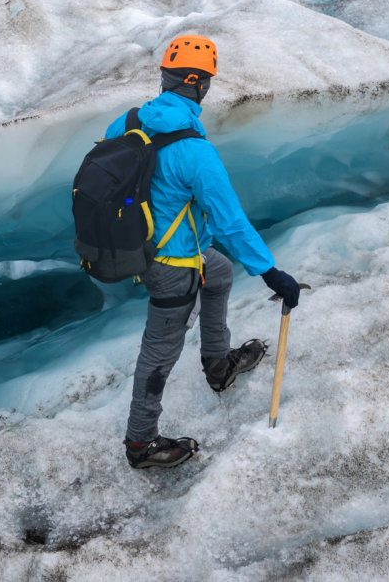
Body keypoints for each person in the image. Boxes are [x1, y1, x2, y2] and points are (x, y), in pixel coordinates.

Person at [104, 35, 301, 470]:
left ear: (165, 78)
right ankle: (141, 443)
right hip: (172, 266)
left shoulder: (128, 122)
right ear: (197, 84)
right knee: (158, 354)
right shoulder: (195, 153)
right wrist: (271, 273)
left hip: (141, 247)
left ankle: (218, 362)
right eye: (206, 81)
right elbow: (230, 222)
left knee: (221, 271)